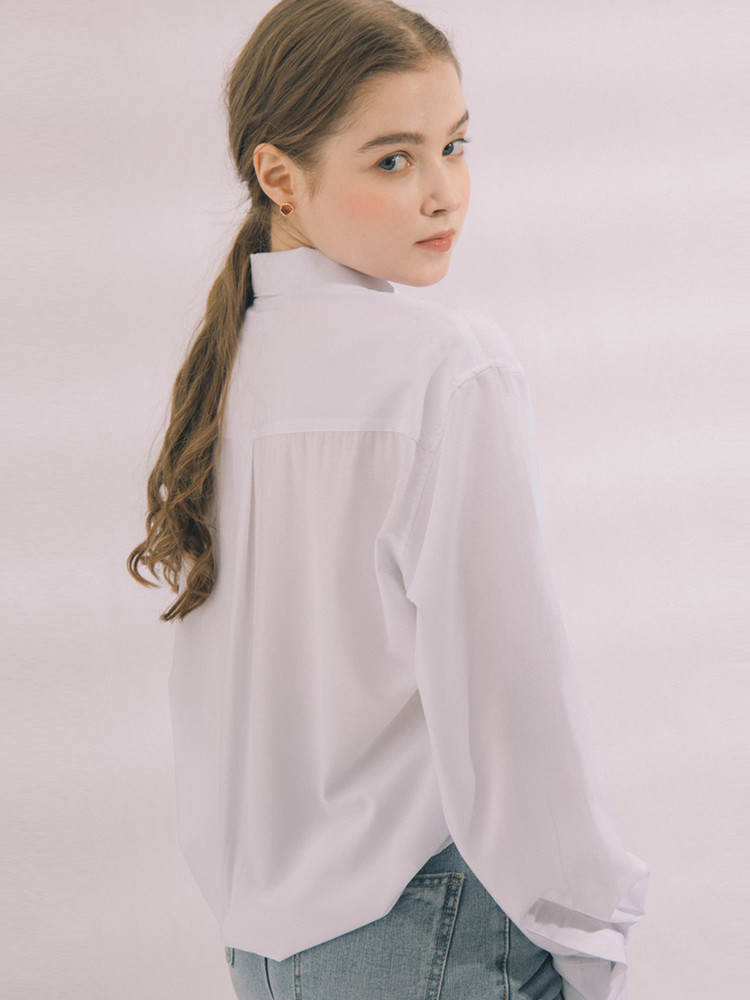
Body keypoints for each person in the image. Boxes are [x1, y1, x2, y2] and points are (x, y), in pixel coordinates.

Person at [128, 1, 649, 997]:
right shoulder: (445, 365)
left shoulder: (228, 373)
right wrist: (592, 928)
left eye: (455, 145)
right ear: (281, 176)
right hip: (431, 926)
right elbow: (509, 693)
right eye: (393, 159)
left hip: (268, 949)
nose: (443, 192)